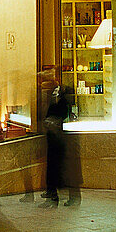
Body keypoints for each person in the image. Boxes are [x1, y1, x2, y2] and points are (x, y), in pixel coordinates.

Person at [40, 70, 78, 206]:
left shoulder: (64, 92)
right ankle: (52, 194)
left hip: (60, 135)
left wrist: (54, 121)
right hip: (54, 134)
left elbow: (65, 110)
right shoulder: (52, 92)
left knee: (64, 168)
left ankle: (71, 197)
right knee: (54, 166)